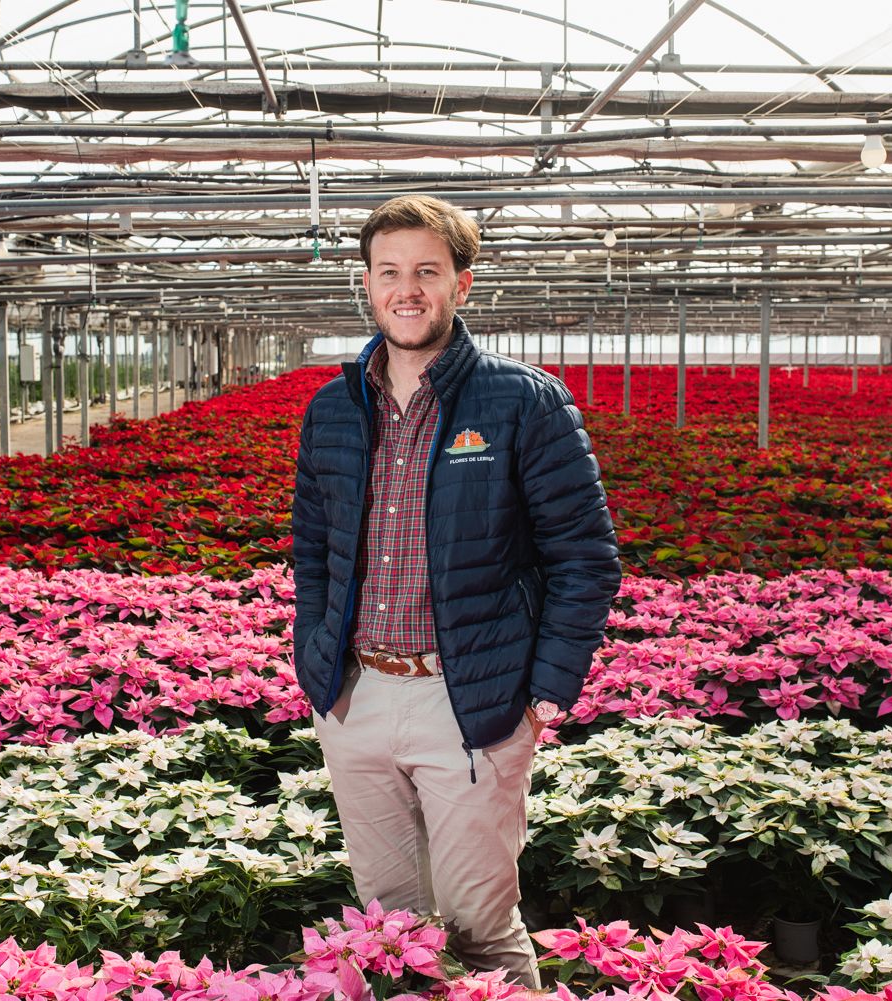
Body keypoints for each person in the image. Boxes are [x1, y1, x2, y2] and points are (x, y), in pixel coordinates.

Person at [291, 194, 621, 988]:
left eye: (427, 273)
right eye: (391, 272)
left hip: (471, 700)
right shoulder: (334, 407)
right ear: (366, 284)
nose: (408, 290)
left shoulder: (522, 401)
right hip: (356, 696)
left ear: (462, 285)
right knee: (387, 925)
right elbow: (312, 551)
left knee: (479, 925)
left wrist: (544, 691)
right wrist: (314, 662)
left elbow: (585, 558)